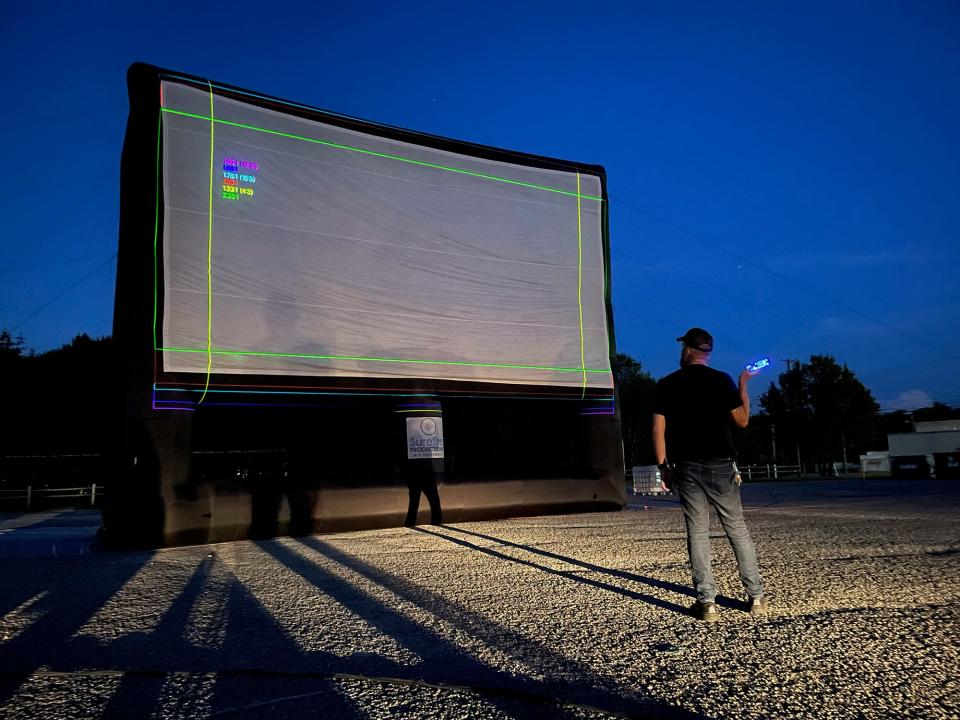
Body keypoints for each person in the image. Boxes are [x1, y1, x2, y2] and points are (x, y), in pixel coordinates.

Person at [652, 328, 766, 622]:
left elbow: (658, 429)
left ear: (687, 350)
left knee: (697, 531)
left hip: (687, 465)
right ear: (707, 352)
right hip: (721, 463)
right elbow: (742, 420)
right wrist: (743, 384)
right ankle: (756, 598)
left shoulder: (667, 384)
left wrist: (662, 466)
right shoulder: (721, 380)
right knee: (736, 528)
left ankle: (707, 604)